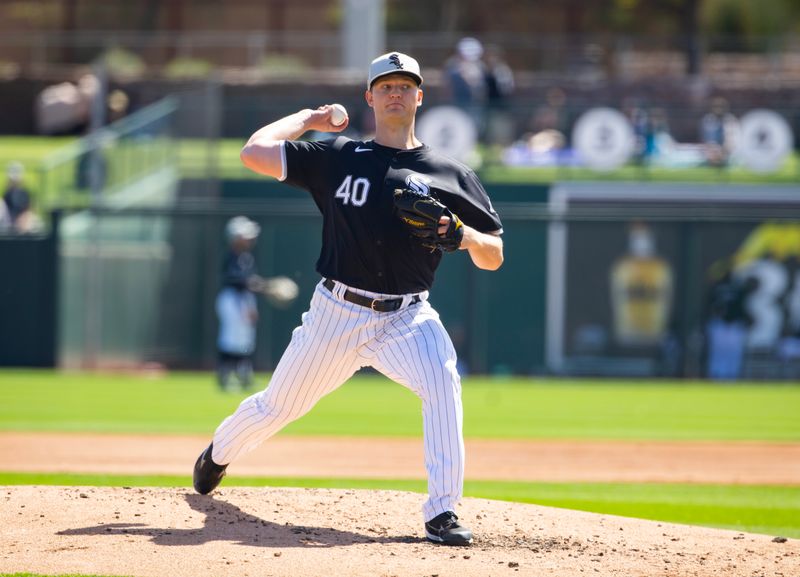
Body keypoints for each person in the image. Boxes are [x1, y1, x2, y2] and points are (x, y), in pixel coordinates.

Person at [193, 51, 504, 546]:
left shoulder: (451, 173)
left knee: (443, 384)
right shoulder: (337, 157)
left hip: (408, 317)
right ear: (370, 98)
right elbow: (254, 151)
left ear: (420, 97)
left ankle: (442, 512)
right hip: (335, 313)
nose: (396, 93)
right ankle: (218, 454)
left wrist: (464, 236)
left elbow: (494, 255)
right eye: (386, 86)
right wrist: (310, 119)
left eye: (405, 86)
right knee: (279, 406)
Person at [215, 216, 262, 392]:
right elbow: (235, 280)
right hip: (233, 298)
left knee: (245, 338)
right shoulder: (231, 256)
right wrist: (254, 285)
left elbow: (248, 282)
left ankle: (243, 374)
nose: (249, 239)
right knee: (231, 337)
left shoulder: (246, 257)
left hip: (244, 298)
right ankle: (225, 373)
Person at [3, 162, 40, 234]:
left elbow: (28, 210)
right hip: (10, 222)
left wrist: (22, 220)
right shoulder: (7, 194)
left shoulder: (25, 193)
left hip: (23, 222)